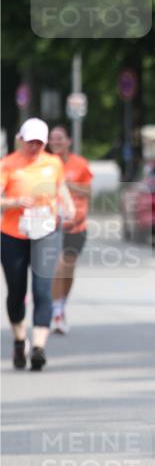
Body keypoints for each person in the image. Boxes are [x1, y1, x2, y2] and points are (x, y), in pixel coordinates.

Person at [1, 118, 74, 371]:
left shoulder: (53, 163)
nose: (34, 147)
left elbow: (60, 187)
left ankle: (39, 347)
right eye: (30, 142)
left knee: (43, 291)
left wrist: (69, 205)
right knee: (16, 292)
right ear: (20, 139)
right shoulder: (8, 164)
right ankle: (20, 339)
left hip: (46, 232)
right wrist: (14, 202)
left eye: (39, 143)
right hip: (13, 235)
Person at [48, 125, 93, 334]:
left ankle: (61, 303)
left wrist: (69, 185)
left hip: (77, 225)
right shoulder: (46, 165)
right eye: (52, 139)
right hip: (53, 224)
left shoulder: (80, 164)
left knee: (68, 271)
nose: (55, 142)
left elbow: (88, 190)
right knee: (59, 267)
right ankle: (57, 312)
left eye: (59, 138)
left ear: (68, 142)